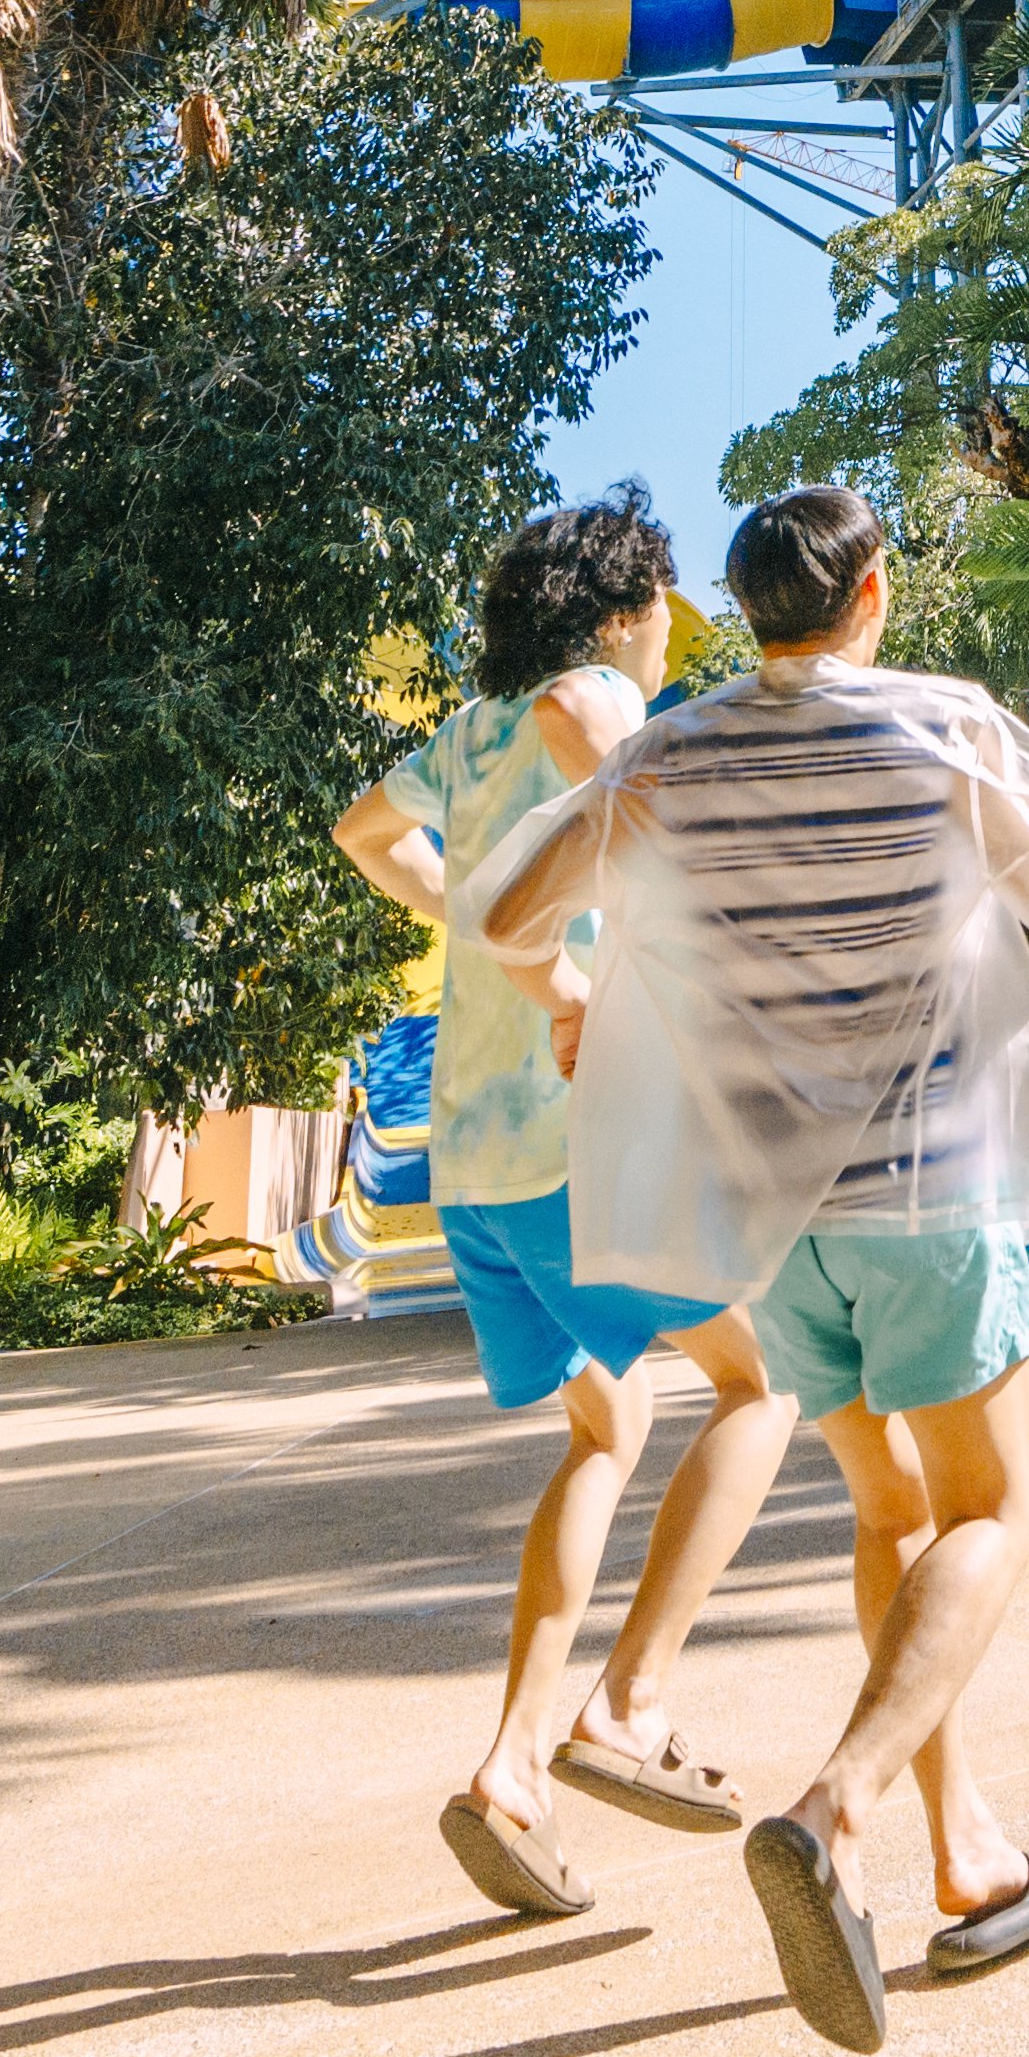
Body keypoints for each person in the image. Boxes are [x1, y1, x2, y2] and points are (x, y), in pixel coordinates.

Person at [451, 478, 1029, 2057]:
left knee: (894, 1514)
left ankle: (975, 1858)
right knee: (988, 1514)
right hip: (932, 1196)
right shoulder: (936, 732)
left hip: (782, 1229)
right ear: (870, 591)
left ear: (746, 613)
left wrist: (580, 994)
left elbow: (498, 916)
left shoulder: (674, 756)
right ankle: (841, 1811)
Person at [331, 502, 802, 1926]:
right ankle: (629, 1704)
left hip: (474, 1164)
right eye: (661, 601)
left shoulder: (473, 731)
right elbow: (661, 833)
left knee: (613, 1422)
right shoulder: (593, 698)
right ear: (616, 614)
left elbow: (366, 831)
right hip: (567, 1140)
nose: (672, 629)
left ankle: (515, 1772)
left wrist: (486, 927)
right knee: (763, 1377)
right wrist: (589, 978)